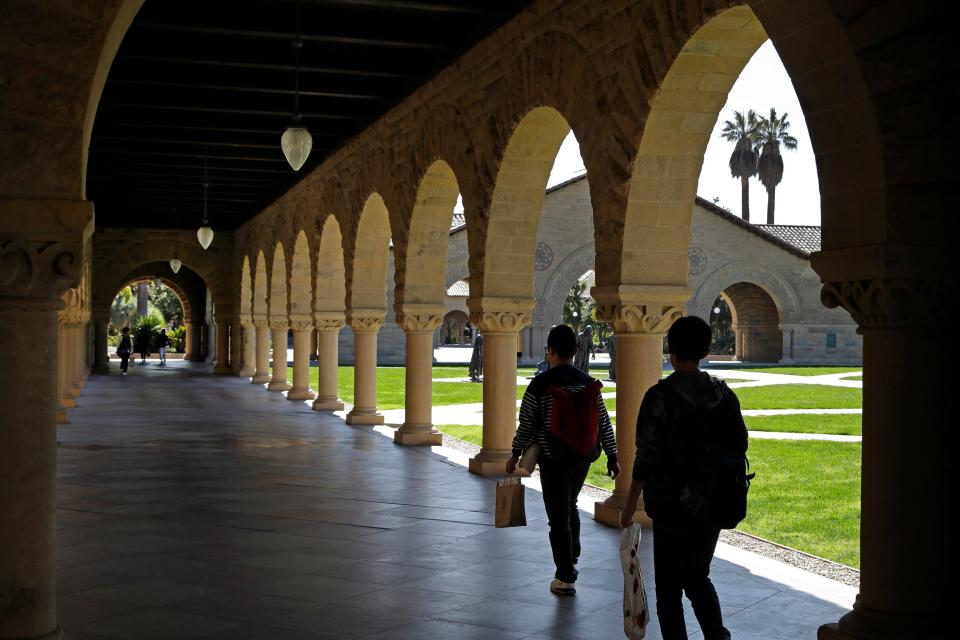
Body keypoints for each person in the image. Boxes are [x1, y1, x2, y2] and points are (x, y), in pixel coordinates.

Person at [620, 316, 746, 640]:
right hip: (714, 499)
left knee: (668, 590)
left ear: (671, 352)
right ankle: (717, 635)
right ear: (705, 350)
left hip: (671, 503)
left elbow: (645, 456)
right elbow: (740, 443)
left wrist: (630, 502)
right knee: (697, 576)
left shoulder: (660, 397)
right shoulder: (724, 394)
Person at [508, 324, 619, 596]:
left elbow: (526, 425)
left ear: (551, 351)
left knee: (557, 517)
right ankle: (574, 552)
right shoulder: (588, 383)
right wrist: (613, 456)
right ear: (575, 351)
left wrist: (515, 453)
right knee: (570, 504)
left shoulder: (540, 385)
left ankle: (565, 575)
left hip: (553, 458)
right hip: (582, 457)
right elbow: (604, 422)